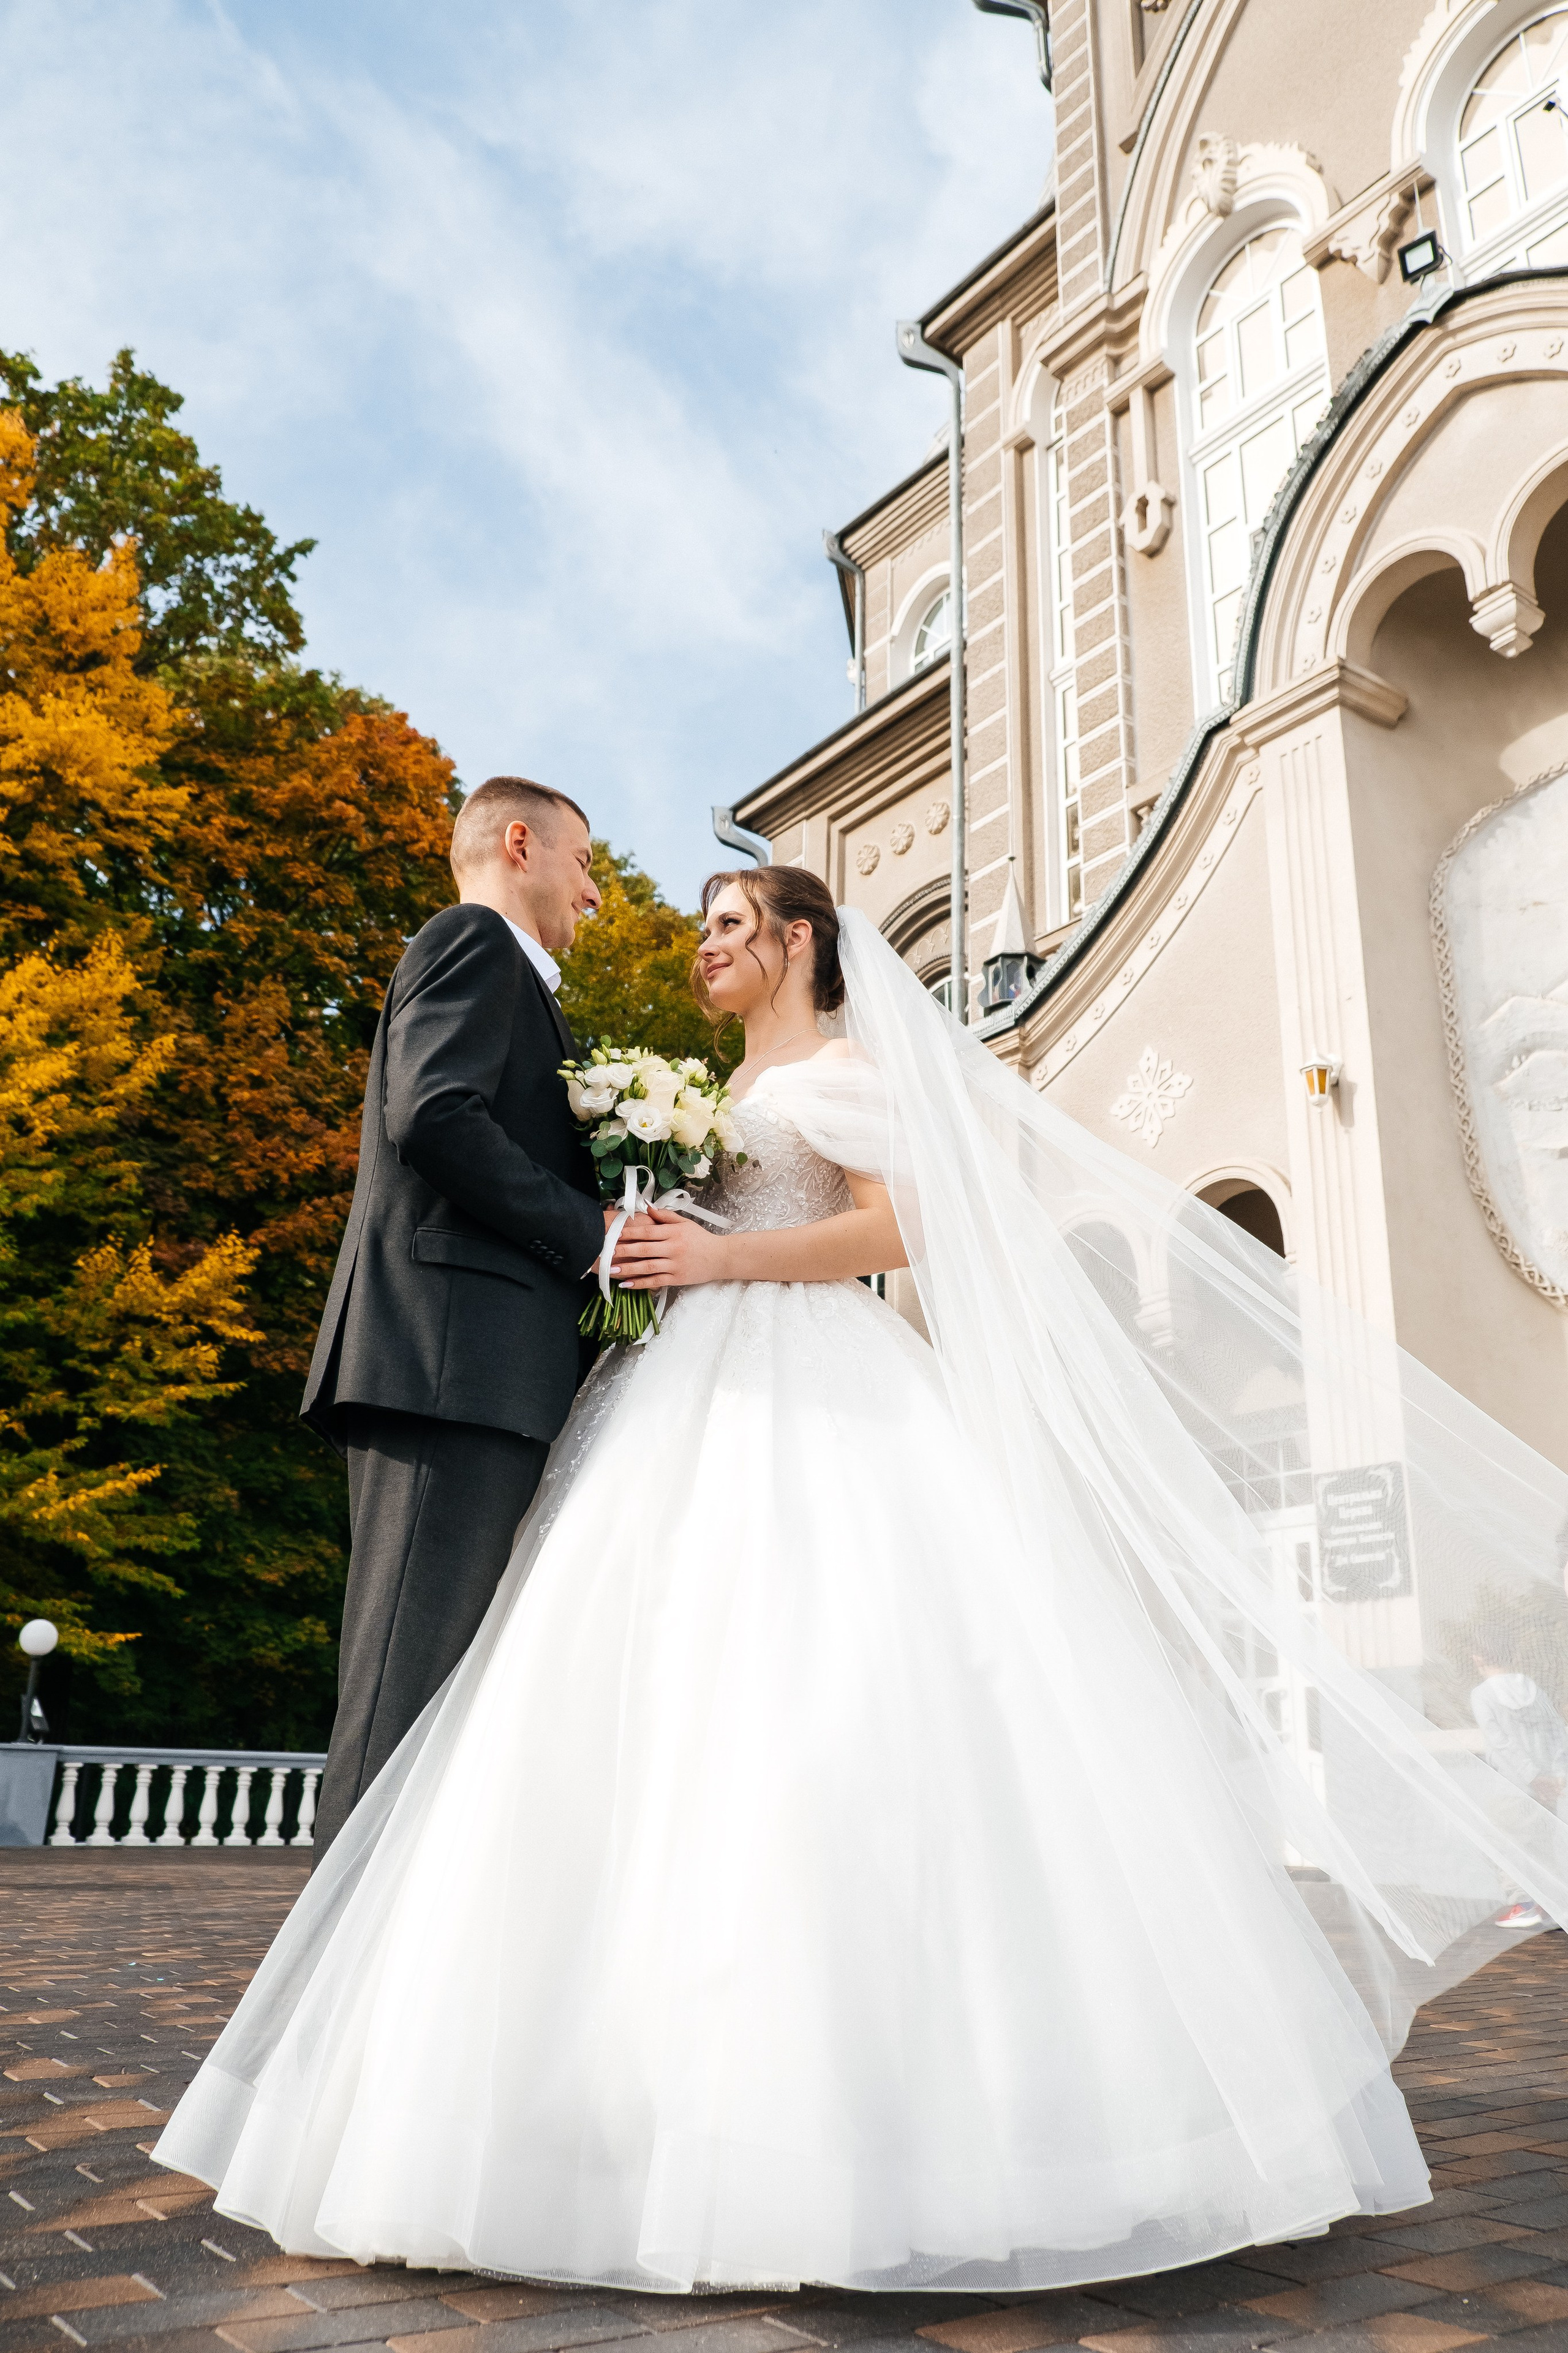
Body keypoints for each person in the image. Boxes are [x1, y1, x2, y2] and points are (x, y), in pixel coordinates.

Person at [157, 867, 1568, 2293]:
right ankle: (608, 2115)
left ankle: (927, 2133)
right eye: (698, 926)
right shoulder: (713, 1080)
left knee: (842, 1701)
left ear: (798, 940)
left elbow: (904, 1229)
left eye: (724, 924)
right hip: (680, 1395)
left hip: (820, 1383)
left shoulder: (845, 1070)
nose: (699, 944)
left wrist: (728, 1254)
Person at [301, 776, 618, 1858]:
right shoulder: (473, 940)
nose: (595, 893)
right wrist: (597, 1236)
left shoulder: (520, 982)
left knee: (443, 1694)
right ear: (520, 844)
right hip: (449, 1363)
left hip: (481, 1370)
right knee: (404, 1686)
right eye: (585, 862)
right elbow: (434, 1114)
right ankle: (327, 2001)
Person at [1471, 1651, 1568, 1930]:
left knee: (1501, 1844)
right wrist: (1557, 1775)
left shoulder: (1482, 1694)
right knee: (1542, 1845)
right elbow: (1557, 1731)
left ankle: (1523, 1905)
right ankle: (1547, 1906)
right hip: (1547, 1782)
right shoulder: (1534, 1688)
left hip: (1512, 1783)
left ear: (1478, 1657)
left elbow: (1499, 1741)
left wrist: (1531, 1776)